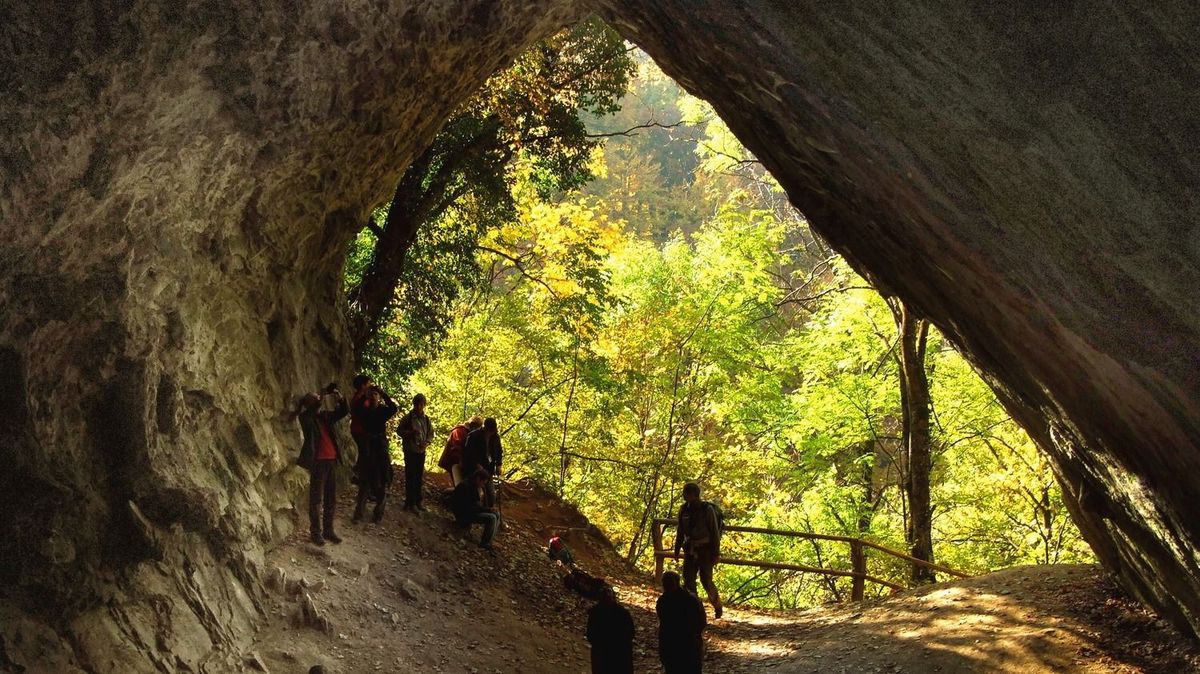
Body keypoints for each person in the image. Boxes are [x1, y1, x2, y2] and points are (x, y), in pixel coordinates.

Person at [294, 383, 348, 546]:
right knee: (316, 500)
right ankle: (315, 533)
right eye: (315, 397)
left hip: (331, 461)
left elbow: (343, 411)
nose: (319, 398)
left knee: (331, 499)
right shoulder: (305, 418)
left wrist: (339, 397)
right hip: (318, 463)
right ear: (309, 403)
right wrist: (323, 395)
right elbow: (312, 411)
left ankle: (328, 530)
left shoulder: (324, 417)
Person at [673, 483, 723, 619]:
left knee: (706, 580)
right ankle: (694, 609)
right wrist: (677, 549)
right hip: (690, 549)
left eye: (686, 493)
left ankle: (717, 605)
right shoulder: (684, 510)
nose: (684, 495)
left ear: (694, 494)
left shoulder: (707, 510)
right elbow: (680, 531)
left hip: (706, 550)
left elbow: (714, 532)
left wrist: (716, 553)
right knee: (688, 579)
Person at [351, 384, 398, 524]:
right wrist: (365, 394)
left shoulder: (382, 411)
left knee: (382, 481)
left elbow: (394, 408)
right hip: (368, 448)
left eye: (375, 395)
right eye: (371, 395)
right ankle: (359, 513)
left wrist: (383, 393)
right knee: (365, 481)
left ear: (379, 398)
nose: (373, 397)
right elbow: (355, 408)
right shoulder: (364, 411)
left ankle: (378, 513)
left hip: (380, 448)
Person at [656, 571, 706, 674]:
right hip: (683, 645)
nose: (667, 586)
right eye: (665, 583)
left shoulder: (664, 601)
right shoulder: (690, 600)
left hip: (682, 645)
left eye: (669, 583)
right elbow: (701, 623)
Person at [395, 393, 434, 512]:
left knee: (418, 477)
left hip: (421, 451)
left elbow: (430, 434)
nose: (419, 407)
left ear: (424, 405)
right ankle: (409, 502)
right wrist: (410, 433)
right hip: (410, 450)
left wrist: (426, 443)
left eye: (421, 404)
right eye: (417, 404)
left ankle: (417, 501)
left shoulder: (426, 419)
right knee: (410, 476)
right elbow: (399, 431)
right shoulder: (408, 418)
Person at [585, 586, 635, 674]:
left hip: (607, 653)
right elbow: (630, 633)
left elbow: (591, 635)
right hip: (617, 653)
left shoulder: (595, 613)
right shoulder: (622, 613)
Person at [450, 469, 499, 550]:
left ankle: (489, 541)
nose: (483, 486)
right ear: (478, 478)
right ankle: (484, 543)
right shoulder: (466, 487)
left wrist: (488, 509)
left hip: (469, 511)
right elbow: (471, 508)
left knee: (496, 514)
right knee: (492, 518)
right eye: (483, 483)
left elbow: (475, 505)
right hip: (463, 514)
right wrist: (488, 510)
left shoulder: (473, 485)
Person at [461, 417, 502, 507]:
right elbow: (467, 454)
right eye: (489, 431)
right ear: (484, 427)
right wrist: (476, 465)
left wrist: (499, 465)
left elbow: (499, 451)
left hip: (488, 469)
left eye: (492, 431)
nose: (490, 433)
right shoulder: (473, 436)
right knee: (475, 495)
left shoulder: (495, 437)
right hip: (473, 472)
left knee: (491, 496)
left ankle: (488, 511)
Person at [438, 416, 482, 487]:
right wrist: (459, 461)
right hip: (454, 462)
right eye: (477, 427)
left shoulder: (471, 433)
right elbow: (456, 448)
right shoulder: (459, 431)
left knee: (464, 484)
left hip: (462, 462)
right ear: (472, 424)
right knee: (459, 484)